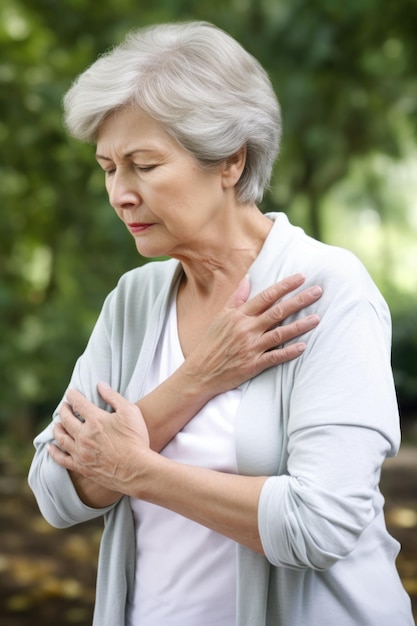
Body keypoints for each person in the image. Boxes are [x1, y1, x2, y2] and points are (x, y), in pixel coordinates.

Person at [28, 20, 413, 626]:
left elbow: (319, 525)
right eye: (108, 168)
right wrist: (198, 378)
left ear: (230, 161)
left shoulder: (326, 291)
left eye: (144, 165)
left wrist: (137, 471)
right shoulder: (133, 301)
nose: (119, 193)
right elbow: (55, 492)